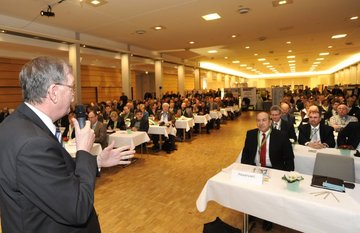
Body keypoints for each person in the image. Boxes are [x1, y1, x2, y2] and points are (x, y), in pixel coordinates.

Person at [0, 56, 135, 233]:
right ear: (54, 92)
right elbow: (78, 209)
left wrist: (96, 161)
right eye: (71, 87)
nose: (74, 94)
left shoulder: (13, 124)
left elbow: (54, 175)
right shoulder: (33, 143)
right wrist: (83, 151)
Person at [241, 112, 294, 231]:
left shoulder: (281, 135)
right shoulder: (250, 134)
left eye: (264, 120)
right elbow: (246, 153)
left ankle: (268, 217)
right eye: (258, 120)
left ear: (270, 122)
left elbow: (289, 158)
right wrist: (246, 169)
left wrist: (287, 175)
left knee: (269, 196)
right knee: (251, 193)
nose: (261, 123)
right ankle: (252, 212)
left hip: (274, 170)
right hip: (255, 168)